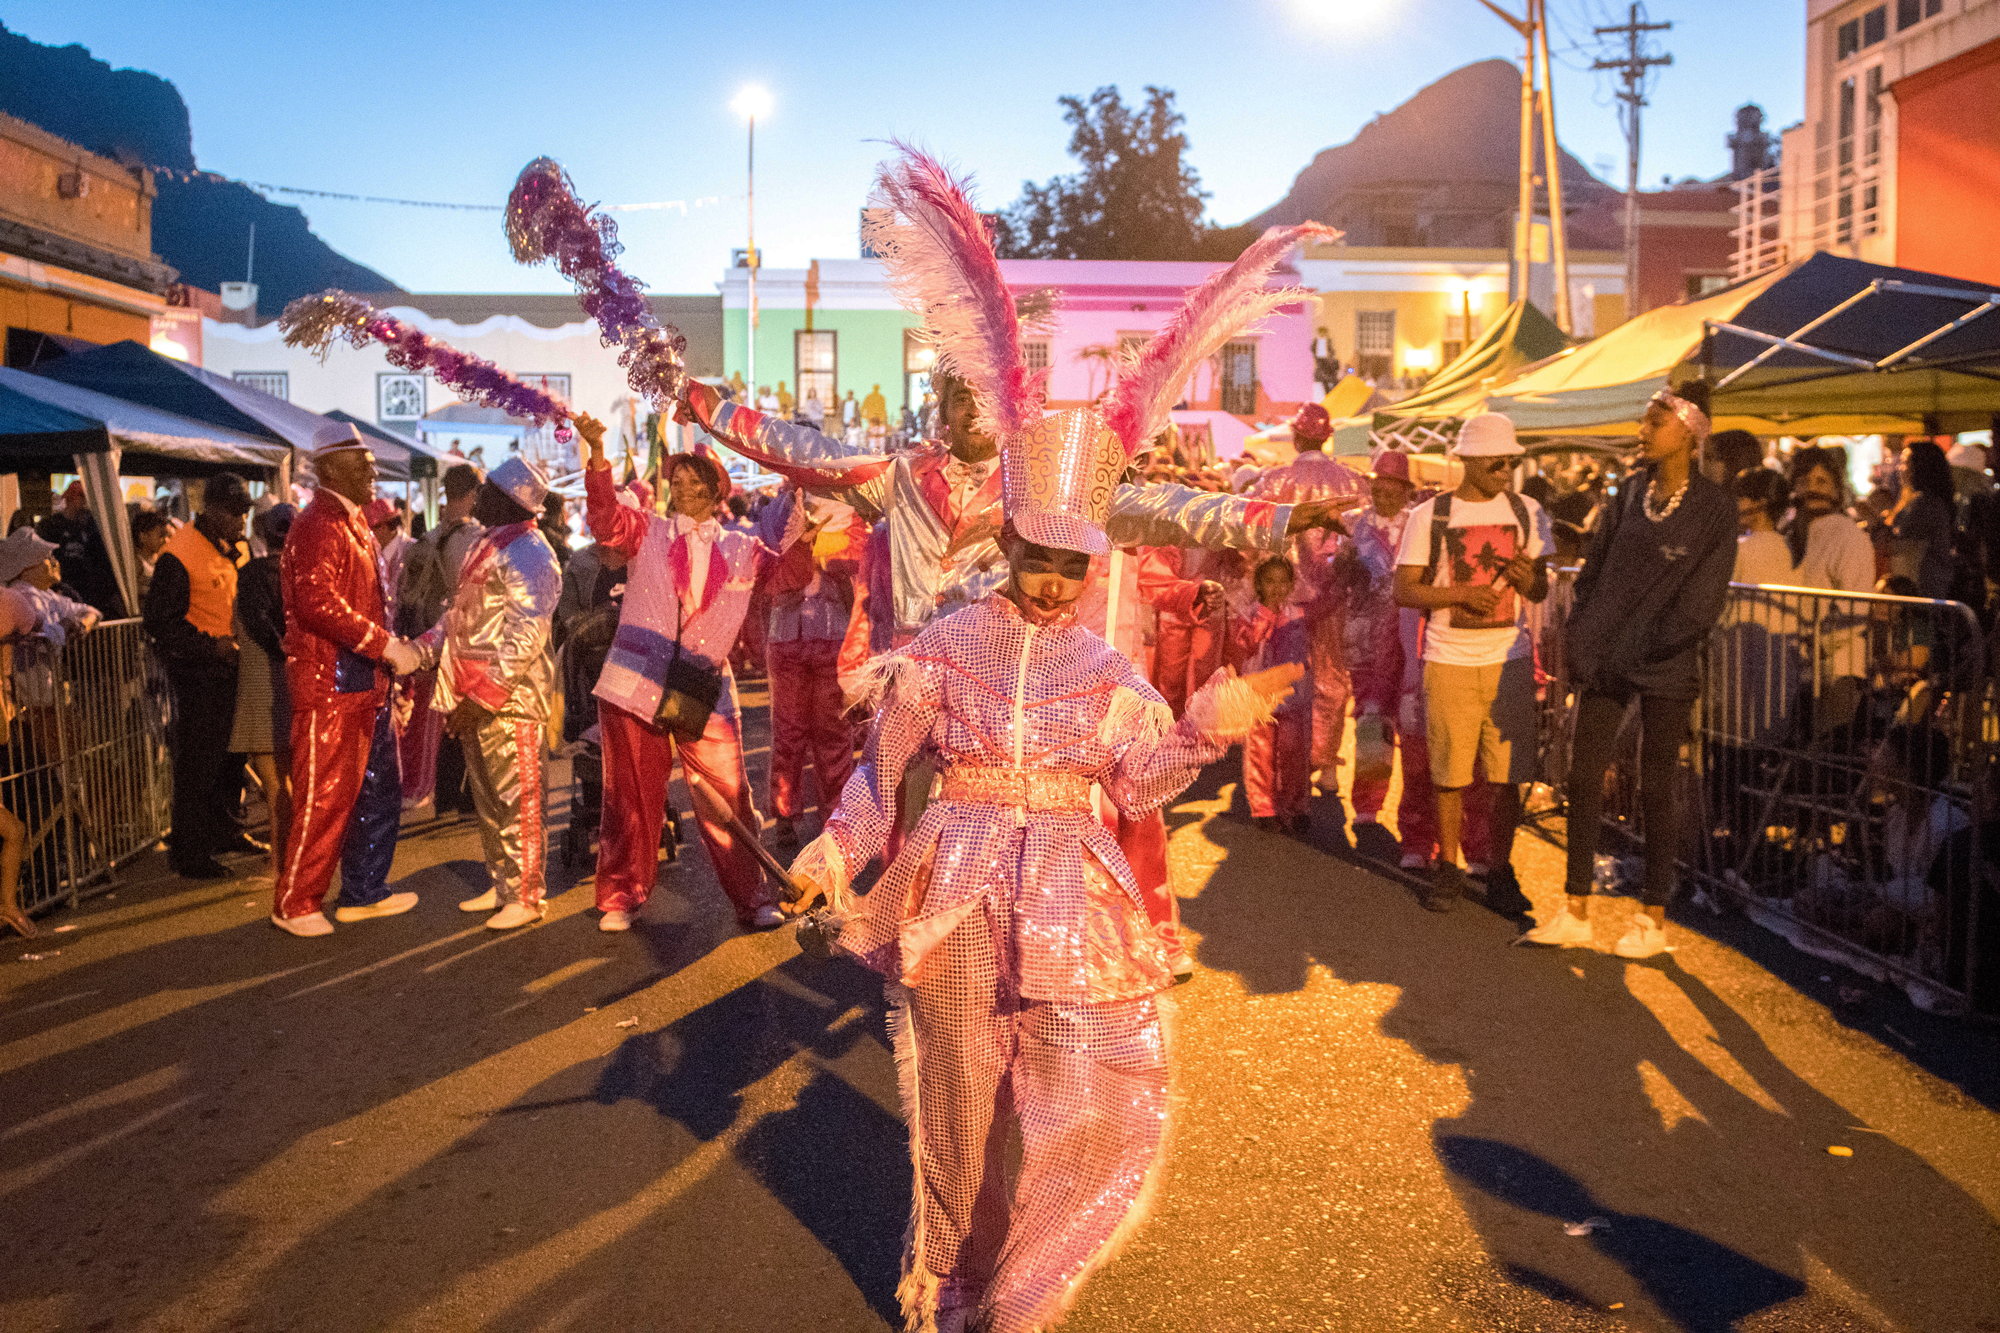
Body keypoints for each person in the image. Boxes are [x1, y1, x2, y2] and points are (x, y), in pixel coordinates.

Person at [784, 409, 1300, 1333]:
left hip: (1074, 906)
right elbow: (879, 776)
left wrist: (1200, 730)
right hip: (955, 897)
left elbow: (1137, 789)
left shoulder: (1106, 669)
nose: (1056, 583)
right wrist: (829, 857)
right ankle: (950, 1277)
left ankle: (1023, 1292)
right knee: (955, 1100)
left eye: (1074, 565)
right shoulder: (941, 648)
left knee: (1088, 1107)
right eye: (1040, 559)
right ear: (1010, 544)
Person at [1520, 382, 1737, 958]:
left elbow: (1703, 600)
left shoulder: (1715, 507)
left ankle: (1652, 919)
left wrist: (1645, 646)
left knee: (1656, 785)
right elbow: (1594, 570)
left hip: (1666, 663)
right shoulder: (1629, 492)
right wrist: (1584, 633)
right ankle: (1575, 910)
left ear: (1689, 432)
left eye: (1652, 422)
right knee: (1583, 777)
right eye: (1644, 422)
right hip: (1608, 656)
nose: (1642, 431)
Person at [573, 413, 781, 933]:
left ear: (717, 492)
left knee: (727, 795)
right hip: (635, 681)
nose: (683, 488)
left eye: (695, 481)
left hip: (703, 685)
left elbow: (788, 570)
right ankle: (621, 894)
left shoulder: (743, 546)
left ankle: (751, 896)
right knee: (631, 794)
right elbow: (604, 520)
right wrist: (597, 456)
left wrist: (805, 495)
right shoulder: (646, 529)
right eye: (676, 481)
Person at [1393, 413, 1551, 913]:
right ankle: (1449, 866)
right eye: (1497, 462)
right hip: (1448, 657)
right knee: (1449, 772)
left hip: (1511, 658)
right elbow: (1404, 588)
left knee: (1508, 775)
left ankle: (1500, 868)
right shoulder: (1430, 516)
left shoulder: (1528, 512)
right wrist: (1461, 593)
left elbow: (1541, 587)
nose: (1507, 471)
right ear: (1469, 461)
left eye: (1512, 462)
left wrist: (1529, 580)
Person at [270, 426, 422, 937]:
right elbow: (316, 604)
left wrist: (386, 653)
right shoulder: (319, 523)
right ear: (331, 468)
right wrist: (384, 645)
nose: (374, 472)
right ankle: (296, 902)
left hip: (363, 683)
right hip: (329, 683)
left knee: (376, 792)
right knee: (325, 794)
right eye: (364, 464)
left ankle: (364, 890)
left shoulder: (348, 521)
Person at [416, 458, 563, 930]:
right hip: (472, 696)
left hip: (509, 700)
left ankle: (526, 894)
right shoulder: (490, 542)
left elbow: (526, 636)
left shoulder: (531, 553)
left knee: (517, 798)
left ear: (510, 499)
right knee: (488, 800)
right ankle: (503, 883)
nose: (476, 497)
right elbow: (461, 616)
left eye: (487, 490)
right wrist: (420, 650)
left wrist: (482, 698)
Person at [1249, 403, 1368, 794]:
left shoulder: (1274, 481)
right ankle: (1325, 760)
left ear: (1297, 438)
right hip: (1335, 600)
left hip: (1283, 599)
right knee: (1332, 680)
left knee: (1280, 679)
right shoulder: (1353, 483)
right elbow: (1362, 545)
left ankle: (1288, 761)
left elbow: (1249, 533)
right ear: (1328, 436)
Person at [143, 471, 256, 880]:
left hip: (232, 671)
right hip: (201, 675)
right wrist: (211, 646)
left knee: (231, 759)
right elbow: (160, 621)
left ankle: (226, 831)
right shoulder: (179, 554)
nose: (240, 520)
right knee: (200, 763)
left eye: (244, 512)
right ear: (210, 509)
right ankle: (190, 853)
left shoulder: (234, 547)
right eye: (232, 513)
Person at [758, 488, 863, 848]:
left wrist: (831, 553)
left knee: (832, 731)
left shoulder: (848, 513)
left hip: (833, 635)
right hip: (786, 637)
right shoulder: (774, 515)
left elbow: (861, 568)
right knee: (788, 732)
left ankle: (835, 815)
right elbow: (767, 571)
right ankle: (785, 813)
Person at [1342, 448, 1428, 859]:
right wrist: (1344, 569)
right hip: (1366, 641)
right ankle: (1368, 808)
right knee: (1372, 725)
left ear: (1406, 490)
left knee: (1412, 728)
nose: (1387, 494)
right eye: (1381, 486)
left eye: (1395, 487)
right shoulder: (1354, 526)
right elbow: (1335, 573)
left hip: (1411, 641)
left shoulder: (1420, 526)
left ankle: (1416, 826)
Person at [397, 462, 484, 813]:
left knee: (439, 713)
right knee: (463, 713)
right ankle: (462, 793)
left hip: (427, 634)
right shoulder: (476, 540)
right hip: (461, 636)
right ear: (473, 495)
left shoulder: (428, 537)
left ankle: (445, 791)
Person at [229, 504, 297, 886]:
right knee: (286, 779)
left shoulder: (253, 575)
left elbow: (251, 625)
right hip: (292, 679)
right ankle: (289, 860)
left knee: (274, 783)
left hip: (261, 682)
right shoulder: (299, 574)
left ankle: (280, 867)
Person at [1785, 445, 1875, 733]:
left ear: (1837, 490)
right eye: (1804, 482)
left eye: (1821, 482)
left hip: (1838, 668)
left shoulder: (1849, 536)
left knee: (1827, 753)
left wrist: (1818, 644)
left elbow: (1855, 606)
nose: (1812, 489)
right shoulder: (1789, 532)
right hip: (1795, 668)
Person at [1233, 555, 1314, 833]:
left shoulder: (1300, 612)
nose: (1277, 588)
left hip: (1294, 694)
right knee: (1260, 750)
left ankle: (1295, 805)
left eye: (1283, 581)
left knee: (1295, 752)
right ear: (1258, 584)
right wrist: (1264, 615)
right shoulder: (1250, 613)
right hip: (1260, 692)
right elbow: (1245, 644)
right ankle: (1263, 807)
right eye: (1269, 581)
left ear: (1292, 584)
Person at [1879, 438, 1956, 600]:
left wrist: (1877, 519)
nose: (1900, 468)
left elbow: (1898, 542)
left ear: (1920, 468)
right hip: (1925, 586)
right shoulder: (1923, 501)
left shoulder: (1925, 503)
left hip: (1923, 589)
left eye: (1905, 463)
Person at [37, 480, 124, 617]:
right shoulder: (52, 526)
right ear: (71, 498)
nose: (85, 503)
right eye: (81, 497)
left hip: (88, 590)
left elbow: (100, 559)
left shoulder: (90, 527)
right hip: (63, 586)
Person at [131, 509, 171, 601]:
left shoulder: (165, 560)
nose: (166, 540)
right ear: (143, 537)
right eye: (161, 536)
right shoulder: (137, 563)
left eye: (167, 536)